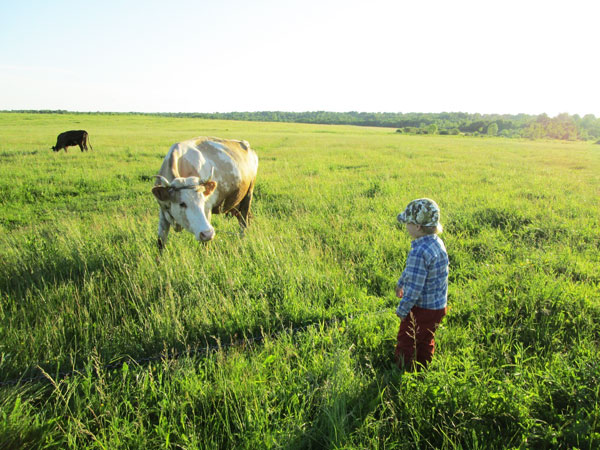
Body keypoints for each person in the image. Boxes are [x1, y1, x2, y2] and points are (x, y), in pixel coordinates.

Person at [394, 198, 449, 370]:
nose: (406, 226)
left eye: (408, 223)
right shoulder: (436, 243)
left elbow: (415, 289)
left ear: (417, 227)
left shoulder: (419, 252)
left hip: (422, 309)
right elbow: (413, 272)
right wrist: (401, 282)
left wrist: (403, 310)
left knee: (407, 339)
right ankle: (423, 367)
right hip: (438, 306)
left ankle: (403, 370)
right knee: (426, 338)